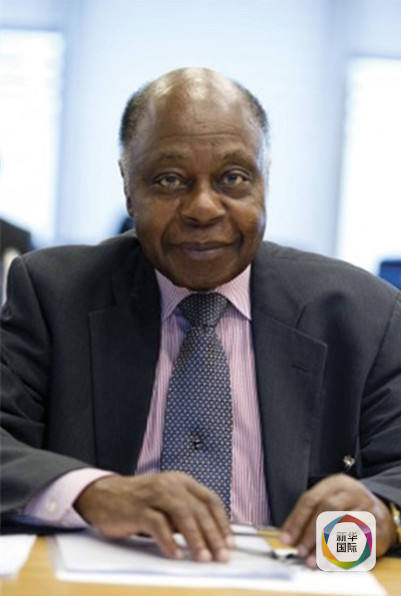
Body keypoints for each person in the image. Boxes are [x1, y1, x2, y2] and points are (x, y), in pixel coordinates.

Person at [1, 68, 400, 567]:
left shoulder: (362, 312)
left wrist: (383, 512)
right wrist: (92, 492)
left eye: (233, 178)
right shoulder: (55, 294)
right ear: (128, 187)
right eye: (169, 180)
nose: (204, 208)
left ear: (264, 181)